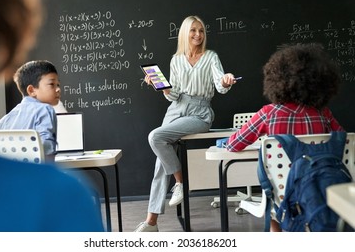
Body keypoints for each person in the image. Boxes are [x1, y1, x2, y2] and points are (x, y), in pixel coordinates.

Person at [0, 0, 104, 231]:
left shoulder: (7, 117)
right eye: (53, 84)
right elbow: (47, 150)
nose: (58, 90)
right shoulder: (58, 197)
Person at [225, 43, 344, 232]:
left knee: (274, 202)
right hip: (319, 192)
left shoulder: (268, 113)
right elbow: (343, 142)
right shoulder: (324, 114)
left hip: (282, 196)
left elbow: (233, 145)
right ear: (319, 82)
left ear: (277, 79)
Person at [134, 15, 238, 232]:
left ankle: (180, 183)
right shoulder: (176, 60)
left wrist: (226, 79)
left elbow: (220, 84)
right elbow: (174, 95)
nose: (198, 35)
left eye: (201, 31)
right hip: (176, 109)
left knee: (156, 137)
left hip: (199, 113)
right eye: (193, 31)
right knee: (160, 163)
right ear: (185, 33)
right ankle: (152, 222)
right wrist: (162, 87)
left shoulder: (211, 57)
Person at [0, 60, 60, 162]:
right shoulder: (45, 109)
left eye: (58, 85)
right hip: (37, 173)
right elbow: (47, 147)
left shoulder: (4, 120)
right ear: (31, 90)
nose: (57, 89)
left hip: (10, 173)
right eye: (52, 84)